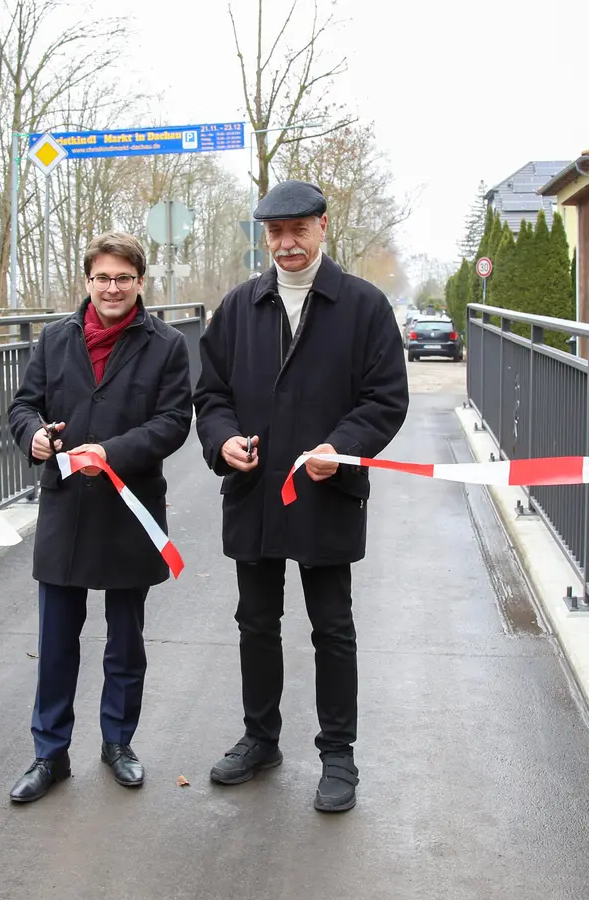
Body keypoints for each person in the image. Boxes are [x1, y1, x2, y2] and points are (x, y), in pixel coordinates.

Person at [193, 180, 409, 813]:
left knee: (332, 627)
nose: (286, 244)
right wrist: (224, 441)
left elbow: (385, 399)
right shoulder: (239, 306)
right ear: (266, 237)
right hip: (257, 489)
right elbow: (211, 396)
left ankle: (338, 755)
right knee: (256, 623)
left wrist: (338, 447)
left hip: (325, 490)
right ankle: (261, 739)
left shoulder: (364, 306)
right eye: (275, 233)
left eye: (298, 231)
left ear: (321, 227)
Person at [5, 231, 193, 803]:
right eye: (102, 278)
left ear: (141, 283)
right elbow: (22, 404)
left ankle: (118, 744)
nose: (112, 288)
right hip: (66, 507)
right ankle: (49, 754)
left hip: (130, 508)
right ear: (87, 281)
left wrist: (113, 453)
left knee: (124, 640)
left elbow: (173, 422)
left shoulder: (166, 345)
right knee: (57, 640)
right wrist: (34, 436)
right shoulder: (56, 338)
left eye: (124, 278)